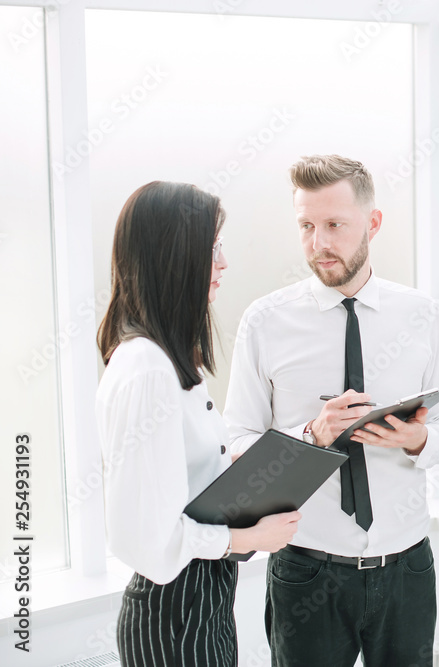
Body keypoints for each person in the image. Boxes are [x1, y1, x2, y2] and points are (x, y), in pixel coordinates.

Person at [224, 154, 439, 666]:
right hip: (306, 569)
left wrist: (415, 439)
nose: (319, 243)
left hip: (406, 569)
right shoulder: (265, 321)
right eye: (306, 226)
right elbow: (236, 444)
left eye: (335, 225)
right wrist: (310, 433)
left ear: (372, 223)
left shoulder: (422, 314)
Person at [96, 181, 301, 667]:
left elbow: (184, 482)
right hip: (174, 611)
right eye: (211, 249)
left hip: (200, 601)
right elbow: (148, 539)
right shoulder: (146, 368)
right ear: (173, 256)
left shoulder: (166, 359)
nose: (224, 263)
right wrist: (252, 539)